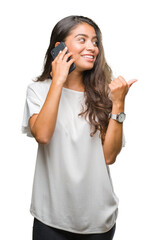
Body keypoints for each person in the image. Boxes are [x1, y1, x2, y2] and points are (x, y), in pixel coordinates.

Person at [22, 15, 137, 240]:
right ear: (60, 47)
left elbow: (109, 156)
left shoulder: (105, 95)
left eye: (95, 42)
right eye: (82, 39)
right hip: (51, 218)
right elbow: (43, 135)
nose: (92, 47)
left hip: (98, 220)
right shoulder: (38, 90)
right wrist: (58, 80)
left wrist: (119, 104)